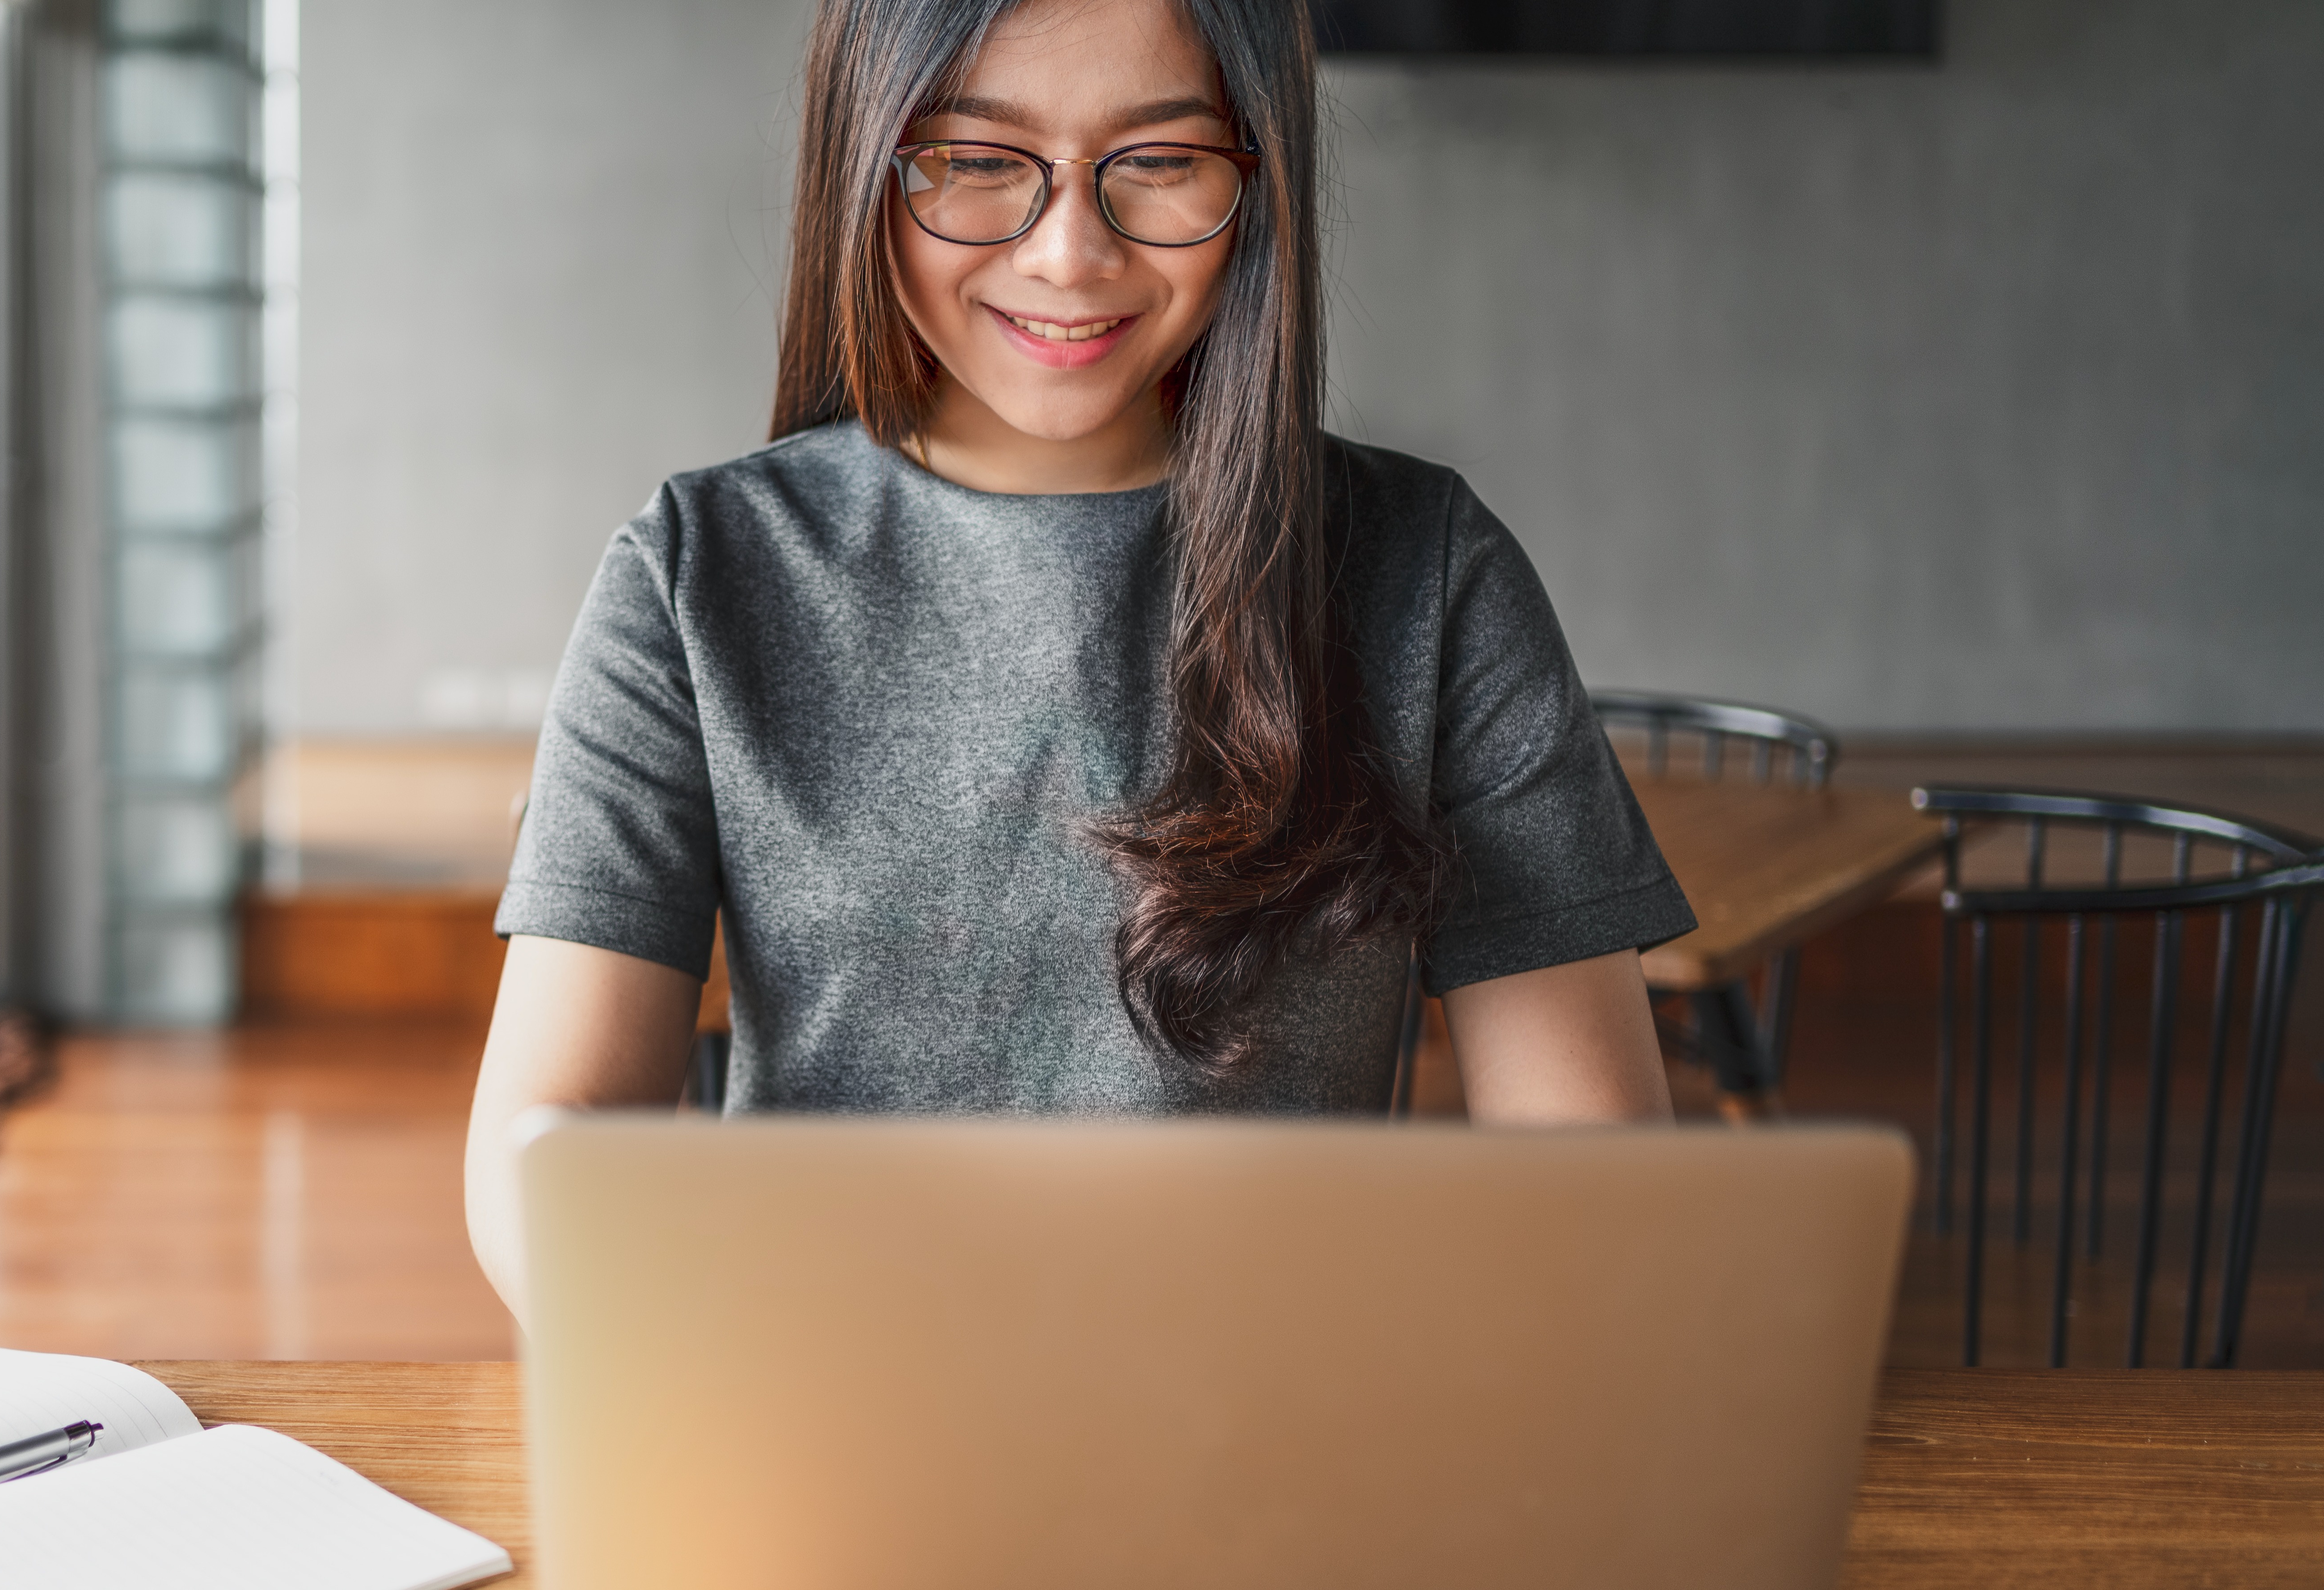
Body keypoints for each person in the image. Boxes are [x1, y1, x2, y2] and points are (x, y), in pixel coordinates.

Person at [464, 0, 1694, 1312]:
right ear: (864, 164)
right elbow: (554, 1141)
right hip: (825, 1411)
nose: (1066, 254)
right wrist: (683, 1342)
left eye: (1159, 164)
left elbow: (1589, 1171)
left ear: (1255, 177)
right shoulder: (696, 571)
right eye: (978, 162)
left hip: (1276, 1438)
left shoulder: (1424, 568)